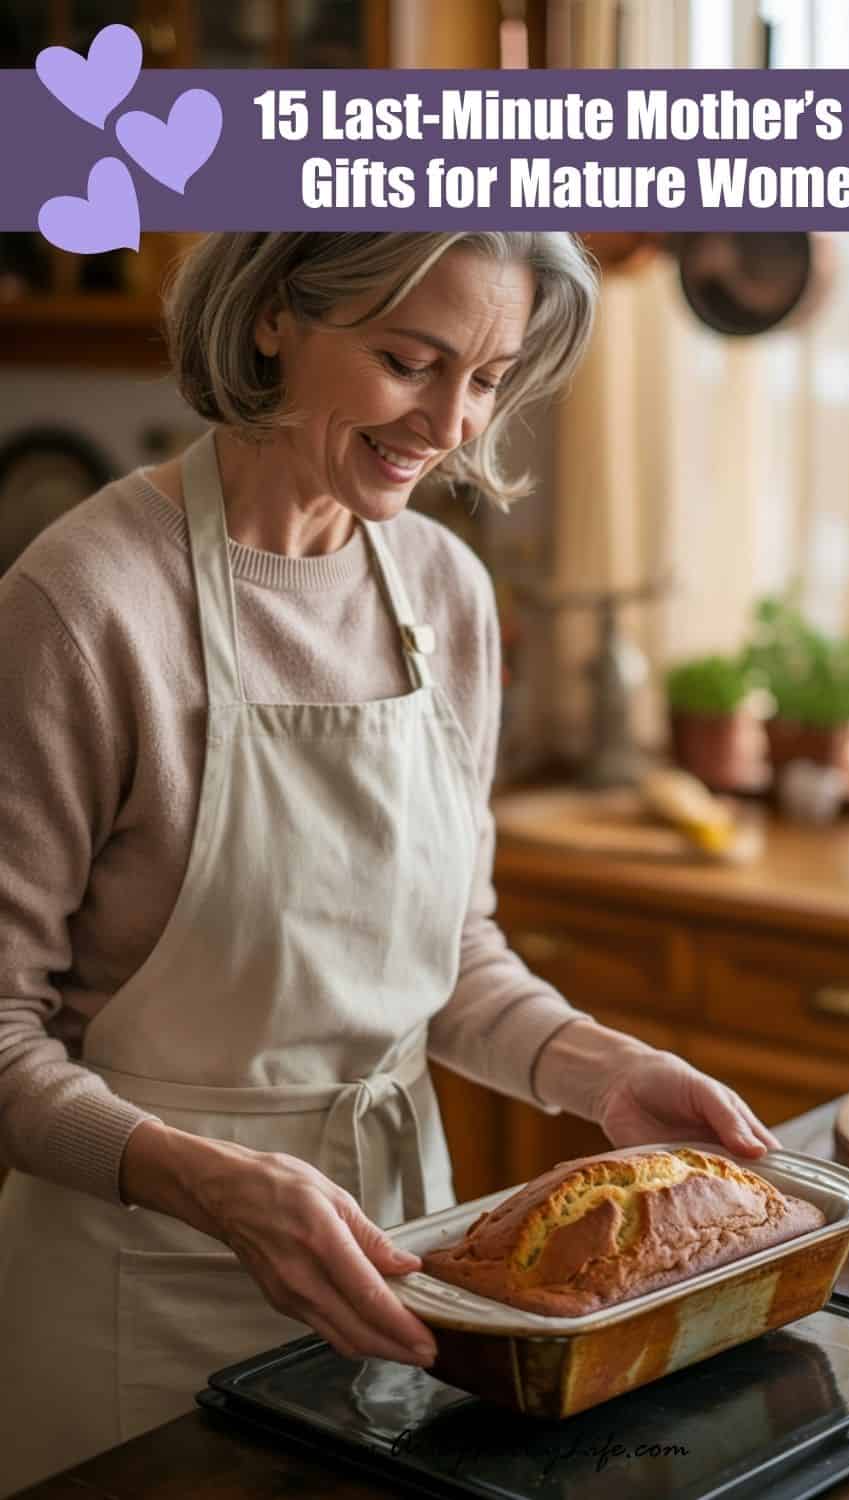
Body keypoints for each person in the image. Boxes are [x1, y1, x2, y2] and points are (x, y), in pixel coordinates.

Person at [0, 231, 779, 1494]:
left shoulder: (445, 591)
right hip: (135, 1318)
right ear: (271, 317)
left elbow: (452, 959)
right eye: (409, 361)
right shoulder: (84, 604)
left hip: (410, 1288)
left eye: (487, 378)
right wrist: (220, 1187)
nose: (452, 423)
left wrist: (605, 1068)